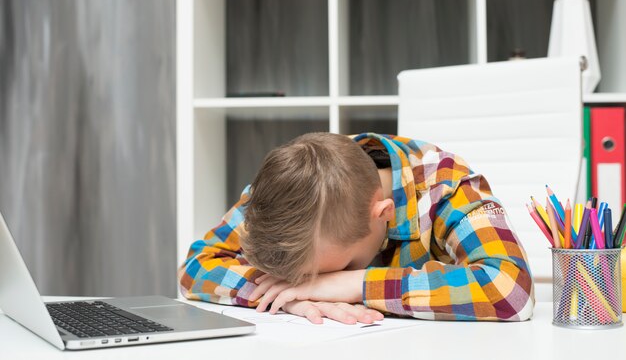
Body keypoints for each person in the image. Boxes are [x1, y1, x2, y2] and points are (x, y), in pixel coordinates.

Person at [178, 132, 534, 324]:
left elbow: (510, 287)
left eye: (341, 266)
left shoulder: (446, 186)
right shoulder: (289, 185)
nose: (313, 287)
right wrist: (287, 297)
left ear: (382, 214)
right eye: (305, 278)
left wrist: (354, 283)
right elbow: (194, 267)